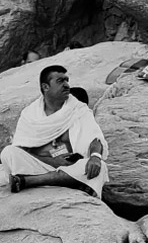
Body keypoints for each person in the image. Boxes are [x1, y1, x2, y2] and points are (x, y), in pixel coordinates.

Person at [0, 65, 108, 198]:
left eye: (67, 80)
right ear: (45, 87)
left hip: (72, 167)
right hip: (41, 166)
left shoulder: (79, 109)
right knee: (9, 152)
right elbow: (22, 149)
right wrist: (52, 162)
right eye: (60, 81)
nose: (66, 85)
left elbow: (95, 138)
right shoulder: (30, 114)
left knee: (100, 167)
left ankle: (29, 181)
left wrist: (95, 157)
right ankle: (61, 181)